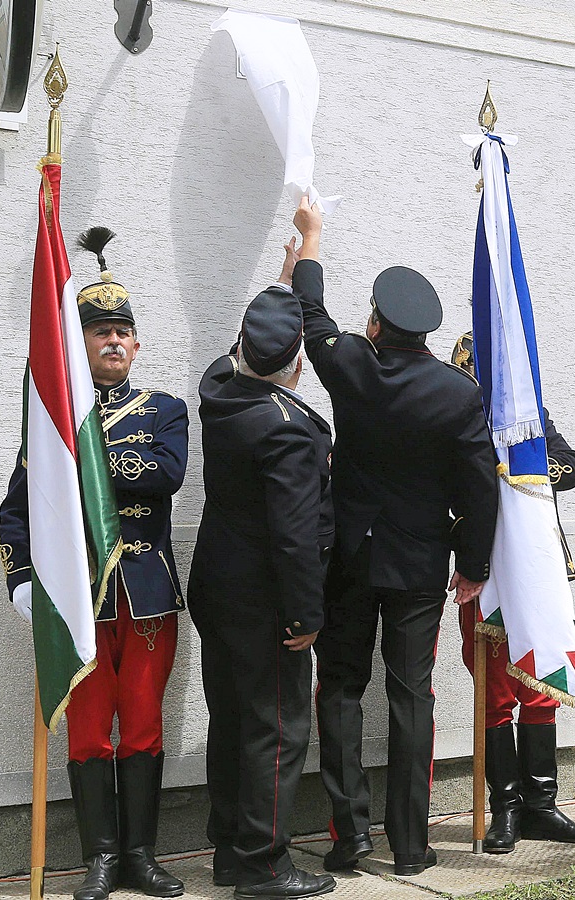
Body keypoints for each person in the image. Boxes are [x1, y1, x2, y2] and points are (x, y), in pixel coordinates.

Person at [290, 198, 500, 877]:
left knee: (341, 689)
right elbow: (479, 487)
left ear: (377, 324)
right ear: (424, 335)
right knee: (412, 695)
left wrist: (311, 236)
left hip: (350, 556)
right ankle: (410, 846)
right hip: (417, 564)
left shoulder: (352, 364)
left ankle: (349, 838)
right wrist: (472, 565)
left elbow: (311, 314)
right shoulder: (456, 393)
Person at [0, 227, 188, 900]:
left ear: (136, 345)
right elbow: (15, 511)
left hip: (144, 597)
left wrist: (80, 461)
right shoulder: (47, 423)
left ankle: (141, 855)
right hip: (77, 600)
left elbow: (163, 473)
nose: (111, 340)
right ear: (77, 344)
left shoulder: (165, 410)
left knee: (140, 721)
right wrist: (22, 579)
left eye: (121, 332)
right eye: (97, 330)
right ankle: (100, 859)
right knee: (85, 729)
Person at [188, 246, 336, 899]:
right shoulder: (289, 429)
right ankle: (265, 865)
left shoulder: (219, 387)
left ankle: (231, 850)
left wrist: (287, 270)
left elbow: (245, 347)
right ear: (298, 367)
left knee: (231, 721)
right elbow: (295, 535)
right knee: (275, 729)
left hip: (216, 588)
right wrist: (305, 615)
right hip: (266, 600)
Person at [450, 333, 575, 854]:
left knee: (542, 684)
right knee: (494, 696)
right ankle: (506, 810)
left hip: (534, 576)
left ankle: (540, 806)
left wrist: (521, 469)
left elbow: (569, 466)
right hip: (483, 574)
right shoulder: (452, 417)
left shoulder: (531, 419)